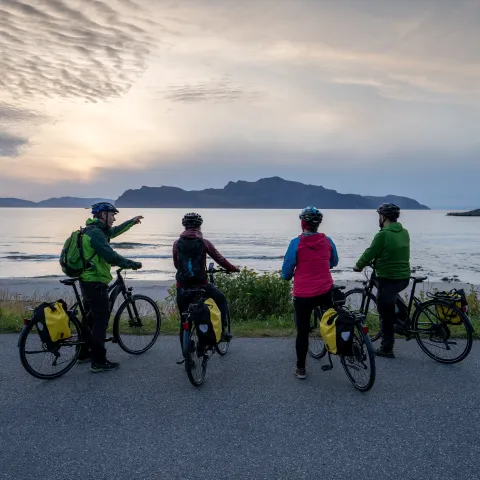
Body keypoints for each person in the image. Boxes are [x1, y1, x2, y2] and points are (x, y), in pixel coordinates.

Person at [78, 202, 144, 372]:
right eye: (112, 215)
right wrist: (132, 264)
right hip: (94, 281)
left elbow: (113, 232)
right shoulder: (96, 234)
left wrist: (131, 222)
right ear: (103, 215)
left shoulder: (93, 230)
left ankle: (84, 353)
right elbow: (111, 256)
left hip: (87, 279)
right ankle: (99, 361)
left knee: (90, 318)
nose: (114, 219)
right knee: (100, 320)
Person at [281, 206, 339, 379]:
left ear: (302, 223)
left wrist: (288, 275)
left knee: (303, 331)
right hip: (325, 289)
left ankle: (301, 369)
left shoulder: (296, 243)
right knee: (331, 321)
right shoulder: (327, 241)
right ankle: (340, 351)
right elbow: (334, 261)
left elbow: (287, 271)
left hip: (303, 293)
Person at [172, 212, 239, 349]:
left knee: (184, 320)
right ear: (199, 226)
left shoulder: (177, 243)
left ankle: (187, 353)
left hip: (182, 287)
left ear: (184, 226)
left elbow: (176, 264)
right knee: (221, 299)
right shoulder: (204, 243)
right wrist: (232, 268)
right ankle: (222, 331)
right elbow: (220, 259)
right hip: (201, 286)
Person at [353, 203, 410, 358]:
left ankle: (387, 348)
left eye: (379, 216)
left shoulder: (383, 234)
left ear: (384, 217)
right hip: (404, 277)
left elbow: (370, 252)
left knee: (385, 313)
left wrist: (358, 266)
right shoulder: (404, 232)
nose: (379, 218)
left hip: (389, 278)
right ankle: (402, 318)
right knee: (390, 299)